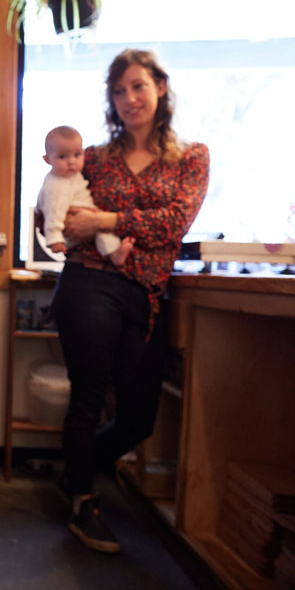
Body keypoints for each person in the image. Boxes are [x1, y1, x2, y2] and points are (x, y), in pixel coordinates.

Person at [50, 49, 210, 553]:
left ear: (160, 87)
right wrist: (66, 225)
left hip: (147, 291)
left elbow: (175, 225)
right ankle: (81, 497)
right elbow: (60, 206)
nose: (128, 99)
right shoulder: (93, 157)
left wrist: (106, 220)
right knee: (89, 397)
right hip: (88, 281)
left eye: (137, 86)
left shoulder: (191, 157)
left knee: (140, 416)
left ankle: (77, 468)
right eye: (118, 91)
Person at [37, 125, 134, 266]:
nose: (71, 162)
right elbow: (53, 211)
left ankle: (114, 252)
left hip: (88, 215)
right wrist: (54, 237)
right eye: (62, 156)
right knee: (102, 232)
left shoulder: (71, 175)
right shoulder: (56, 184)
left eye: (77, 155)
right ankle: (114, 254)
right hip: (72, 225)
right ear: (47, 159)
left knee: (103, 229)